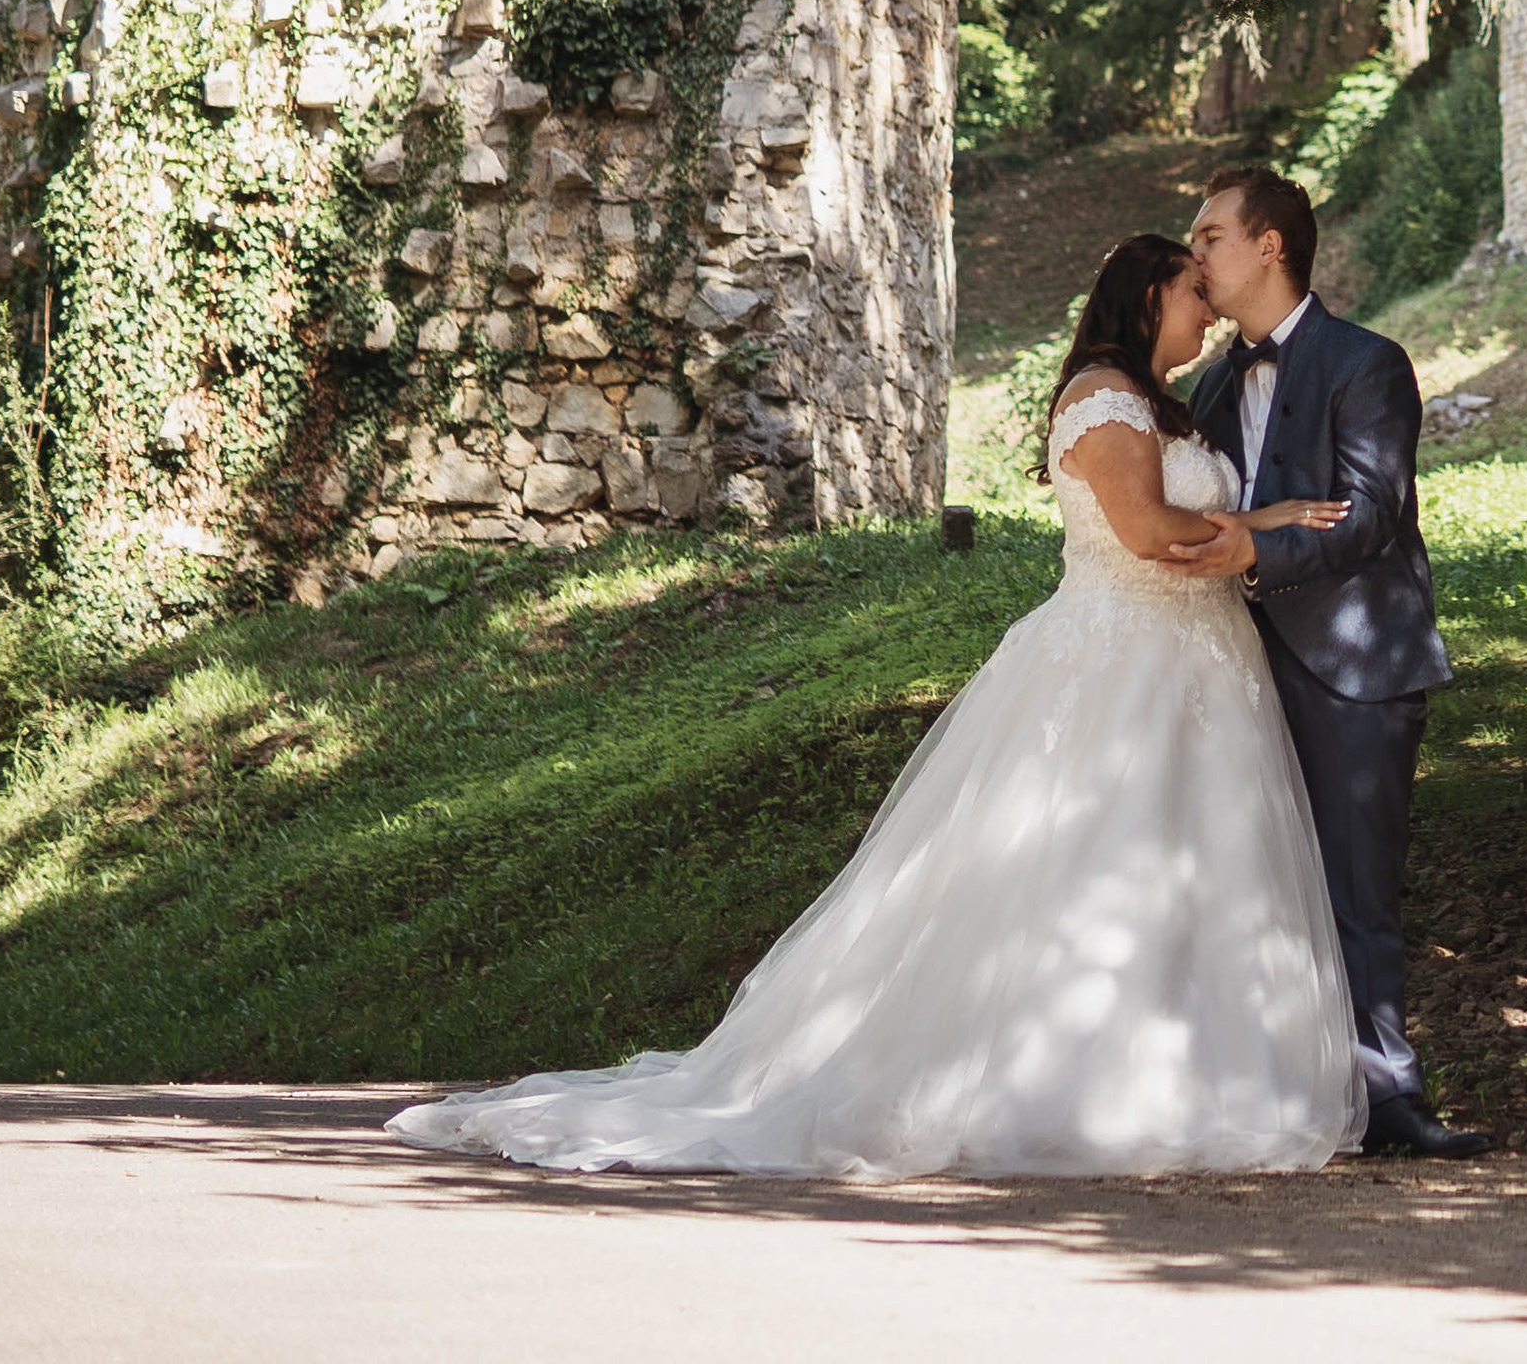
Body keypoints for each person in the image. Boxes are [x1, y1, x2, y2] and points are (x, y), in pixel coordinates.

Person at [382, 233, 1364, 1178]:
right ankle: (1059, 1086)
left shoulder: (1173, 404)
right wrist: (1263, 521)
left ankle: (1183, 1076)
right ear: (1149, 299)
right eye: (1192, 287)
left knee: (1191, 870)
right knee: (1087, 858)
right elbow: (1149, 531)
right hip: (1119, 659)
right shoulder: (1103, 398)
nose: (1207, 303)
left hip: (1199, 667)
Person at [1171, 164, 1489, 1158]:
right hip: (1238, 667)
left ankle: (1386, 1096)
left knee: (1357, 891)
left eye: (1212, 235)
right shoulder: (1210, 386)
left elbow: (1370, 515)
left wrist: (1257, 547)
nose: (1197, 255)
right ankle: (1278, 1090)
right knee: (1248, 882)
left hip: (1355, 665)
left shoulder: (1369, 363)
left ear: (1270, 245)